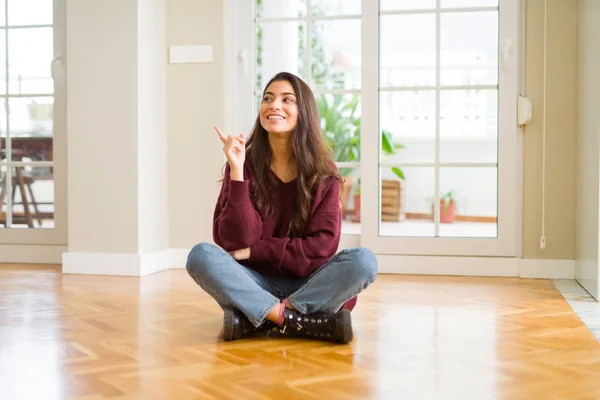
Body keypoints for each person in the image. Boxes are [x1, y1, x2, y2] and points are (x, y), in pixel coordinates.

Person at [186, 72, 377, 344]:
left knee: (363, 261)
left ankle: (257, 318)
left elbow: (320, 249)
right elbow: (232, 242)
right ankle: (299, 321)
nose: (274, 105)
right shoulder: (242, 165)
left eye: (287, 99)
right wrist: (238, 171)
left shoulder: (324, 173)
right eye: (268, 98)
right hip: (255, 281)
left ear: (304, 113)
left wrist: (256, 250)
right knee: (200, 256)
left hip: (310, 283)